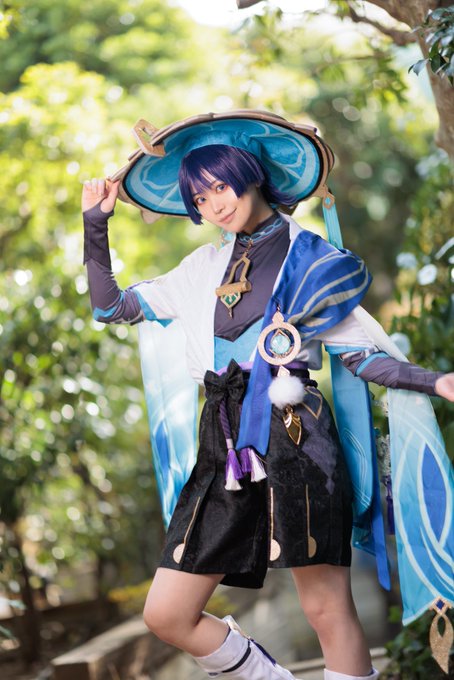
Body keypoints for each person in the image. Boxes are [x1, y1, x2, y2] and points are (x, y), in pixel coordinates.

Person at [81, 112, 454, 680]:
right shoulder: (200, 268)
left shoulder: (312, 259)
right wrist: (95, 224)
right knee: (167, 613)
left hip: (297, 437)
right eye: (200, 198)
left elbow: (362, 357)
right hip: (223, 446)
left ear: (249, 174)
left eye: (220, 186)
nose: (214, 205)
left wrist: (434, 381)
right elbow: (111, 306)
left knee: (326, 609)